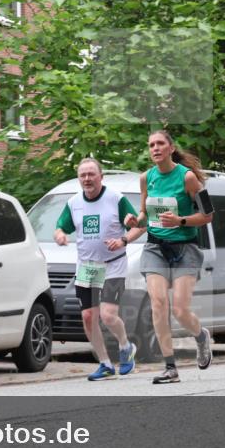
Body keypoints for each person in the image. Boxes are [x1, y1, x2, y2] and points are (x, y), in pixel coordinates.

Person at [124, 130, 215, 384]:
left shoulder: (187, 178)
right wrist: (134, 220)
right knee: (158, 303)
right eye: (151, 144)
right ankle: (170, 367)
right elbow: (143, 214)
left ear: (170, 147)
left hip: (185, 248)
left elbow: (208, 215)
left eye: (160, 143)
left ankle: (200, 336)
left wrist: (181, 220)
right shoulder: (146, 178)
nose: (155, 148)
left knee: (180, 310)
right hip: (155, 248)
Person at [55, 158, 145, 380]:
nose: (87, 179)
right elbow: (60, 226)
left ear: (101, 176)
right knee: (87, 317)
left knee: (107, 315)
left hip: (113, 264)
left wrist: (123, 239)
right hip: (87, 267)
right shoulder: (74, 202)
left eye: (91, 174)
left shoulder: (116, 199)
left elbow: (140, 227)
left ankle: (125, 347)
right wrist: (60, 234)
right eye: (82, 175)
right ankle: (105, 363)